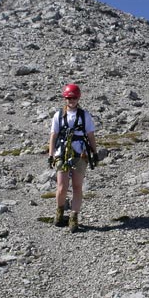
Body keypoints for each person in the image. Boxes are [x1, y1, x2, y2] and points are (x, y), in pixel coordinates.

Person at [48, 83, 98, 232]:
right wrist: (51, 155)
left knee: (77, 186)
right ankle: (60, 212)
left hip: (80, 154)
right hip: (62, 153)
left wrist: (95, 153)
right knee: (62, 187)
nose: (72, 100)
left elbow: (90, 135)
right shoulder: (58, 115)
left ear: (78, 98)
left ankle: (74, 217)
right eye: (69, 98)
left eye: (74, 98)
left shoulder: (85, 115)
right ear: (65, 98)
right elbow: (53, 135)